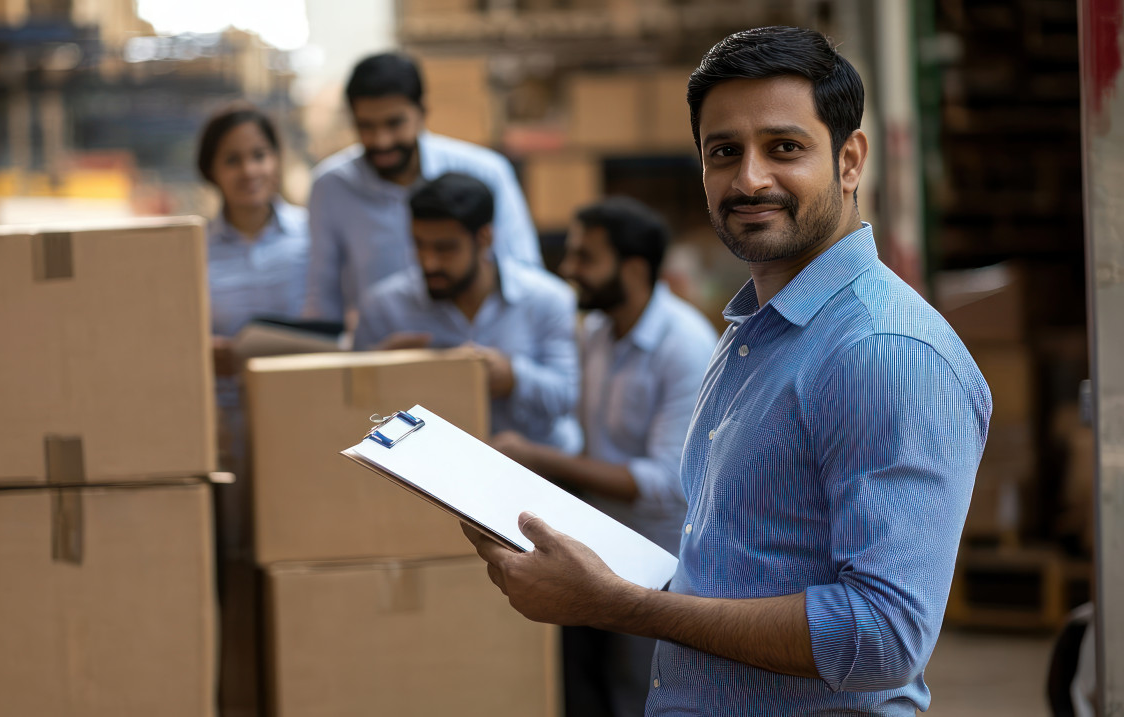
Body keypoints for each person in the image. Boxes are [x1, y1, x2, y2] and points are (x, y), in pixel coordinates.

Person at [462, 26, 992, 716]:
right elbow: (737, 566)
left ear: (851, 159)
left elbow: (882, 635)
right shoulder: (754, 333)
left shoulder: (884, 350)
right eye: (723, 152)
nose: (749, 179)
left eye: (785, 148)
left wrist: (620, 605)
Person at [492, 196, 719, 717]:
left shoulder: (682, 343)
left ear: (634, 269)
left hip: (665, 561)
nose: (569, 270)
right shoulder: (595, 332)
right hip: (598, 542)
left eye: (584, 257)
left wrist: (542, 458)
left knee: (652, 691)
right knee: (606, 689)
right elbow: (580, 431)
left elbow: (668, 483)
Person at [304, 52, 542, 323]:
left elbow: (523, 272)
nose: (382, 141)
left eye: (394, 123)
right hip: (382, 351)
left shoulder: (485, 171)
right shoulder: (331, 187)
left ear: (422, 112)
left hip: (478, 347)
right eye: (366, 126)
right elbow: (322, 297)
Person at [353, 172, 579, 453]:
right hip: (425, 471)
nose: (429, 262)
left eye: (445, 248)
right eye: (419, 245)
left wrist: (514, 377)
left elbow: (568, 397)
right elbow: (353, 411)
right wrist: (378, 370)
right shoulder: (384, 306)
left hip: (537, 473)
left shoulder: (547, 298)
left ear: (484, 238)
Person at [198, 102, 309, 558]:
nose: (249, 170)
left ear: (277, 160)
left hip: (302, 411)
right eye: (232, 159)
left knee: (298, 539)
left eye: (259, 155)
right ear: (210, 170)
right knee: (233, 547)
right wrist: (201, 350)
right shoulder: (193, 249)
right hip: (224, 421)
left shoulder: (312, 236)